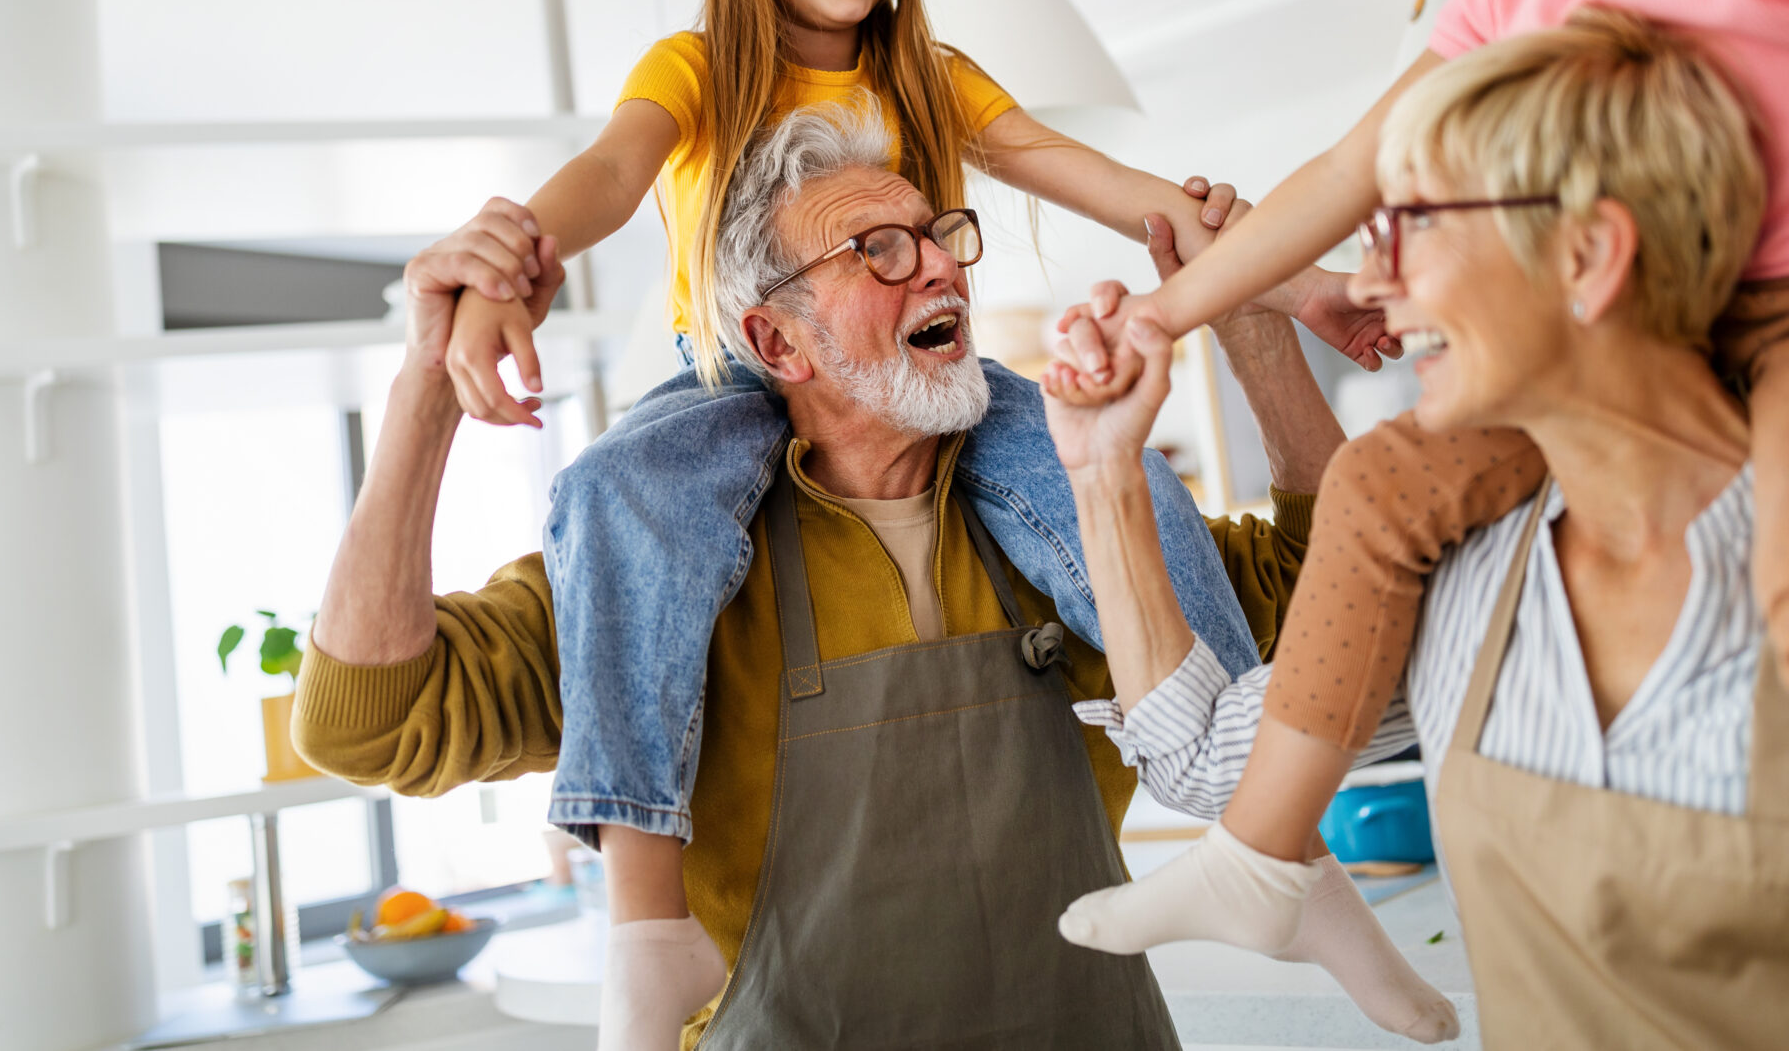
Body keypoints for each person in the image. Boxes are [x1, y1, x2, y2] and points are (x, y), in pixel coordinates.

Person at [1044, 0, 1789, 1039]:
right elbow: (1353, 168)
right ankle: (1259, 860)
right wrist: (1169, 319)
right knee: (1381, 483)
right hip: (1687, 316)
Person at [411, 0, 1398, 999]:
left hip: (922, 371)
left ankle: (1272, 841)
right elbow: (612, 174)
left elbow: (1113, 185)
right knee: (613, 492)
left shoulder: (927, 72)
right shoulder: (698, 67)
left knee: (1126, 478)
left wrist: (1310, 290)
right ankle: (644, 930)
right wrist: (514, 255)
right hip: (726, 374)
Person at [296, 101, 1458, 1051]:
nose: (939, 273)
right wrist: (422, 396)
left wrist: (1257, 329)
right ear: (779, 343)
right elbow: (370, 723)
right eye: (877, 252)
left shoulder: (1068, 515)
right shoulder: (654, 572)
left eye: (939, 236)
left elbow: (1334, 610)